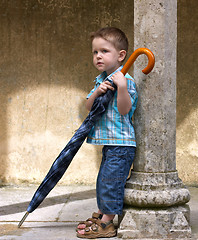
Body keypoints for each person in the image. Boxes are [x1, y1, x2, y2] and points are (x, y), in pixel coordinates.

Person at [76, 27, 137, 239]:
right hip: (109, 142)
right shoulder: (100, 80)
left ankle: (107, 223)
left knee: (111, 182)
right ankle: (102, 213)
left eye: (104, 51)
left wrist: (120, 88)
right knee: (103, 180)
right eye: (95, 52)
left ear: (121, 56)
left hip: (122, 143)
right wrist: (97, 91)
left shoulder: (126, 80)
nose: (98, 56)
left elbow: (124, 110)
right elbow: (88, 106)